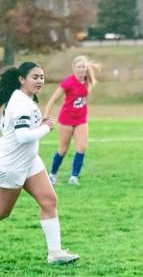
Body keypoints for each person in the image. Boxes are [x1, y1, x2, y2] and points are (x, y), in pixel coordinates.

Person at [0, 62, 79, 264]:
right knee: (3, 212)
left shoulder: (22, 99)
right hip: (12, 165)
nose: (40, 81)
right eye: (35, 77)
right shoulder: (21, 103)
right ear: (22, 79)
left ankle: (55, 253)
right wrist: (46, 127)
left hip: (29, 160)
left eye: (42, 77)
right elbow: (23, 136)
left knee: (49, 201)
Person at [44, 55, 100, 186]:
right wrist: (46, 115)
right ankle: (52, 175)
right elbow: (53, 100)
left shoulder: (87, 80)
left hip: (81, 120)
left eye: (83, 67)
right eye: (79, 67)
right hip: (66, 120)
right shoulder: (68, 82)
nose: (81, 69)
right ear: (73, 68)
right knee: (63, 149)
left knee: (82, 147)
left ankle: (74, 177)